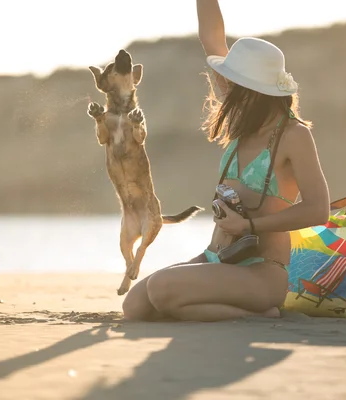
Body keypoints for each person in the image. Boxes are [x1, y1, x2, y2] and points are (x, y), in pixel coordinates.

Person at [121, 0, 330, 322]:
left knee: (162, 289)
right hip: (216, 257)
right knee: (135, 306)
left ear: (251, 90)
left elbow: (318, 209)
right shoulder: (243, 121)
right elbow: (212, 40)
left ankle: (261, 315)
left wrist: (249, 226)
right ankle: (228, 310)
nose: (221, 83)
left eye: (230, 80)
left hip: (261, 271)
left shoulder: (293, 135)